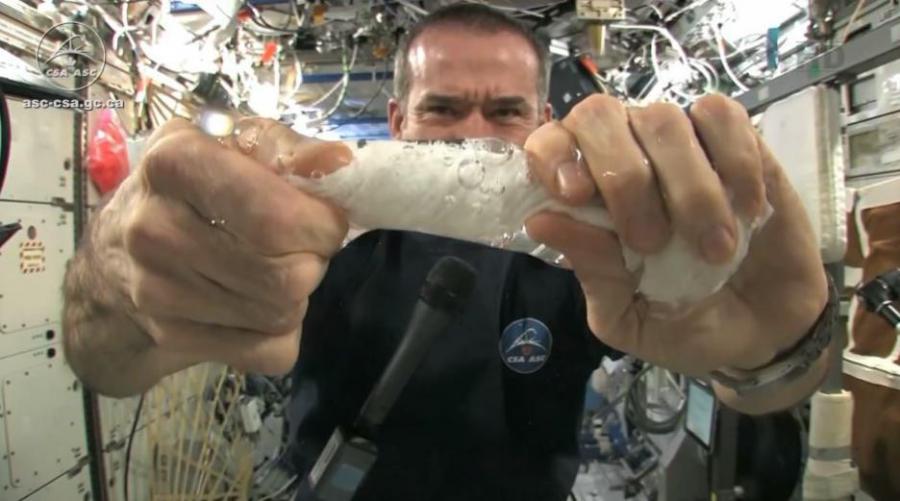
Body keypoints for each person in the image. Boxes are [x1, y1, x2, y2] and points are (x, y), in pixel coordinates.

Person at [62, 4, 831, 500]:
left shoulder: (590, 257)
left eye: (504, 112)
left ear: (543, 119)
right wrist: (115, 281)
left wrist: (771, 348)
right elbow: (102, 365)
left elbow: (764, 387)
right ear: (398, 121)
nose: (472, 136)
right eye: (443, 108)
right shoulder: (306, 233)